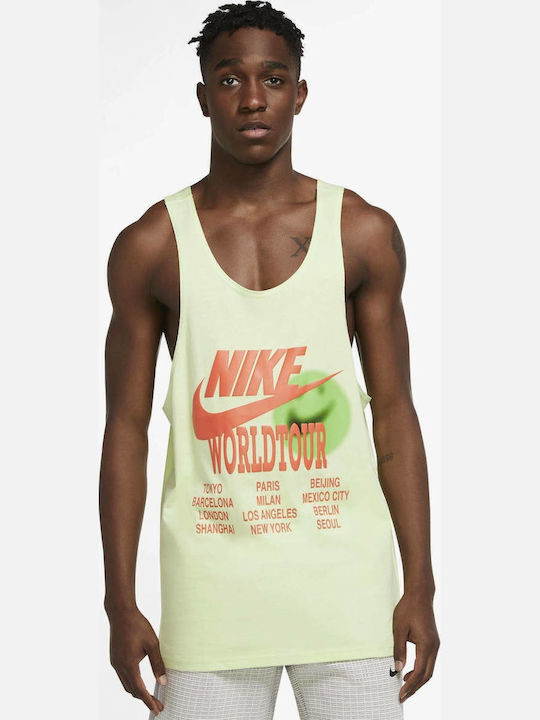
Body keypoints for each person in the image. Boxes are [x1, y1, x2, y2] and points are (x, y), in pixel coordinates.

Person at [99, 2, 440, 718]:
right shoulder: (152, 246)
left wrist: (420, 584)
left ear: (300, 94)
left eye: (273, 79)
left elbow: (394, 412)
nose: (253, 99)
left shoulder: (361, 232)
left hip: (346, 592)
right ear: (202, 98)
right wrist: (119, 602)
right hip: (209, 595)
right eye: (230, 80)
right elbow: (125, 429)